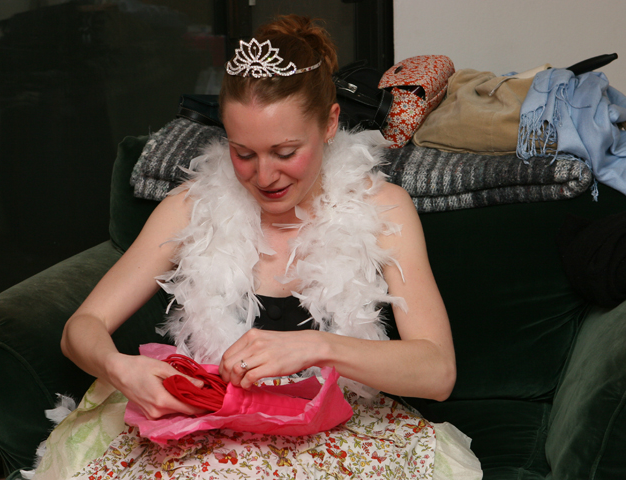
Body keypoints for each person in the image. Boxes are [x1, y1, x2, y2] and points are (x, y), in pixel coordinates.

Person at [30, 14, 482, 480]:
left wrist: (317, 347)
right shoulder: (190, 207)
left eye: (286, 153)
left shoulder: (385, 209)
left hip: (334, 436)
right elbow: (80, 328)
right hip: (209, 437)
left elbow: (437, 371)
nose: (264, 177)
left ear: (330, 124)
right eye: (243, 153)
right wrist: (120, 369)